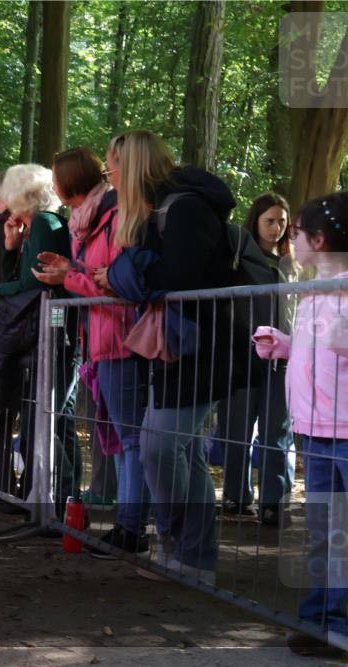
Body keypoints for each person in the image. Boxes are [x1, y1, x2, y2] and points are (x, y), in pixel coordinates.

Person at [102, 129, 238, 585]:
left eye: (112, 165)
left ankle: (177, 540)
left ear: (130, 166)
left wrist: (125, 271)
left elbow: (178, 276)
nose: (109, 174)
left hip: (201, 346)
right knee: (182, 450)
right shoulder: (159, 211)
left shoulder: (184, 209)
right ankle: (193, 557)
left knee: (160, 446)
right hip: (180, 344)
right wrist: (127, 272)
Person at [33, 146, 151, 557]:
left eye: (55, 179)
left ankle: (132, 528)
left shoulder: (115, 217)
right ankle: (126, 525)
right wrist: (71, 271)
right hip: (100, 342)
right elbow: (95, 277)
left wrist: (69, 278)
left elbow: (115, 283)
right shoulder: (87, 222)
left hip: (122, 340)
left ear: (68, 183)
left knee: (131, 439)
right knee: (118, 437)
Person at [252, 192, 347, 658]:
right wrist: (285, 344)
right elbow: (319, 348)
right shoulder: (312, 291)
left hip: (344, 431)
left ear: (319, 239)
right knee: (326, 533)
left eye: (298, 232)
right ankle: (323, 621)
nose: (292, 239)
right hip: (317, 431)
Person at [0, 163, 79, 510]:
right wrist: (11, 247)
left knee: (48, 421)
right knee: (50, 419)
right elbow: (25, 277)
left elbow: (33, 281)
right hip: (45, 332)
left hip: (50, 333)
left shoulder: (43, 223)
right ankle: (55, 501)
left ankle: (59, 502)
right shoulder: (37, 225)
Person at [219, 192, 296, 525]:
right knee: (236, 428)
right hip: (242, 356)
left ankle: (273, 503)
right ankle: (236, 496)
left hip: (283, 361)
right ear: (256, 221)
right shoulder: (240, 258)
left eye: (282, 221)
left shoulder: (292, 265)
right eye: (270, 221)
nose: (276, 227)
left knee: (276, 432)